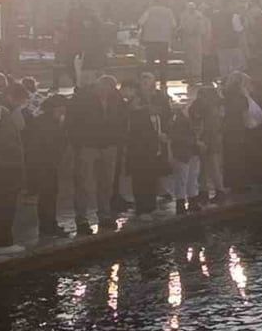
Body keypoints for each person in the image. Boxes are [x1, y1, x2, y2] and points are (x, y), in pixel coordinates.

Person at [68, 74, 126, 232]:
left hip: (109, 145)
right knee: (84, 183)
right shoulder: (82, 98)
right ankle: (82, 218)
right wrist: (77, 143)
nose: (106, 92)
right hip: (87, 145)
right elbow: (71, 121)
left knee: (106, 183)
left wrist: (118, 139)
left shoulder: (116, 99)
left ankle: (104, 214)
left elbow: (122, 119)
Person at [0, 89, 25, 254]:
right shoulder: (0, 111)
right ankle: (3, 243)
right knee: (4, 206)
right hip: (3, 167)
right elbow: (1, 139)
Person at [27, 95, 67, 240]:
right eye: (61, 108)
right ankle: (48, 225)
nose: (63, 111)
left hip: (47, 164)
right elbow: (48, 144)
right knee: (48, 195)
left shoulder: (45, 121)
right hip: (44, 164)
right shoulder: (46, 123)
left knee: (49, 195)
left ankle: (48, 224)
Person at [125, 85, 168, 220]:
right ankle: (141, 209)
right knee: (140, 181)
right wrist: (157, 137)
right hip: (140, 152)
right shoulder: (137, 115)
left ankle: (151, 206)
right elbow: (139, 135)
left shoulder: (152, 115)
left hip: (153, 151)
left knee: (151, 179)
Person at [222, 72, 259, 194]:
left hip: (228, 130)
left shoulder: (225, 96)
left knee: (230, 157)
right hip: (239, 130)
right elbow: (245, 116)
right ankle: (241, 183)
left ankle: (231, 183)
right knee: (240, 157)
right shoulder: (242, 98)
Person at [192, 85, 225, 205]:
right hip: (214, 140)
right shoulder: (216, 108)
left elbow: (203, 125)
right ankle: (218, 191)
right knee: (213, 167)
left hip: (206, 140)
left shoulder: (203, 107)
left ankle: (205, 192)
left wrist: (202, 140)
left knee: (204, 168)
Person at [167, 102, 201, 214]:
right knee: (185, 178)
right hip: (184, 152)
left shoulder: (179, 119)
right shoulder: (181, 121)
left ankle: (185, 202)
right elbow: (178, 137)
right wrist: (195, 142)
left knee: (188, 178)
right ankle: (186, 202)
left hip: (187, 152)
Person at [139, 0, 177, 87]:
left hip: (150, 40)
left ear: (153, 2)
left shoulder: (149, 11)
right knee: (163, 63)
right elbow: (174, 25)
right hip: (164, 41)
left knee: (150, 63)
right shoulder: (168, 11)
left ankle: (151, 82)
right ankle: (163, 82)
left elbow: (140, 22)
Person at [178, 2, 209, 84]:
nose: (191, 9)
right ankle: (188, 75)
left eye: (192, 8)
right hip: (186, 38)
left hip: (196, 38)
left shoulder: (199, 15)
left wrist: (195, 31)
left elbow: (202, 28)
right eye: (189, 8)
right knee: (187, 57)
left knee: (196, 57)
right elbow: (182, 26)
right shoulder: (184, 15)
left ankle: (197, 76)